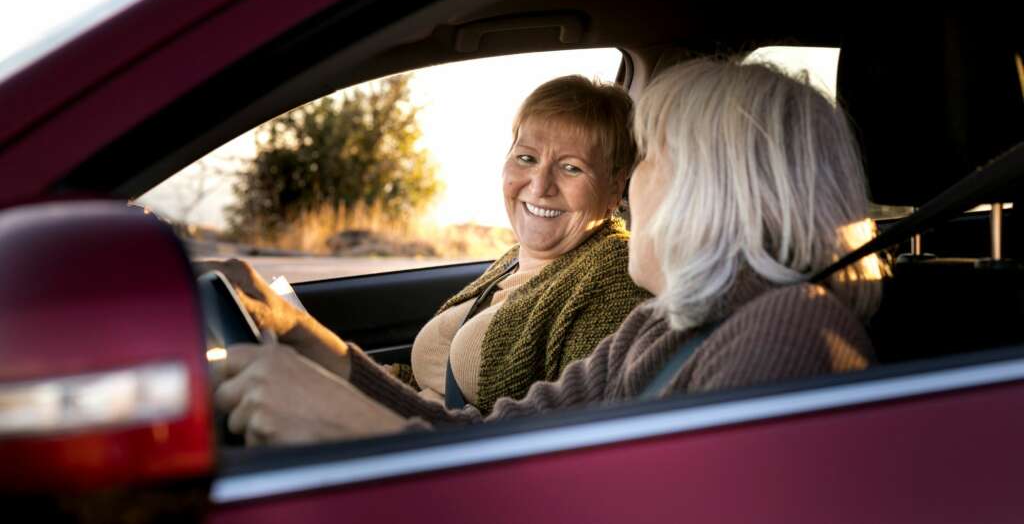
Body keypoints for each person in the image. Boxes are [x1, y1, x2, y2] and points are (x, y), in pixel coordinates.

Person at [215, 58, 885, 444]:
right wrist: (303, 337)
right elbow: (496, 441)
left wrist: (358, 434)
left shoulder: (791, 336)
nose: (629, 191)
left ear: (715, 190)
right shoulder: (666, 325)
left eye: (648, 161)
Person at [200, 74, 650, 434]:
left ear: (615, 186)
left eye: (571, 167)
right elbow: (417, 391)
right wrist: (294, 327)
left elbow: (545, 445)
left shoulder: (611, 277)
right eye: (527, 158)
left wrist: (345, 422)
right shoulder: (513, 259)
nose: (539, 185)